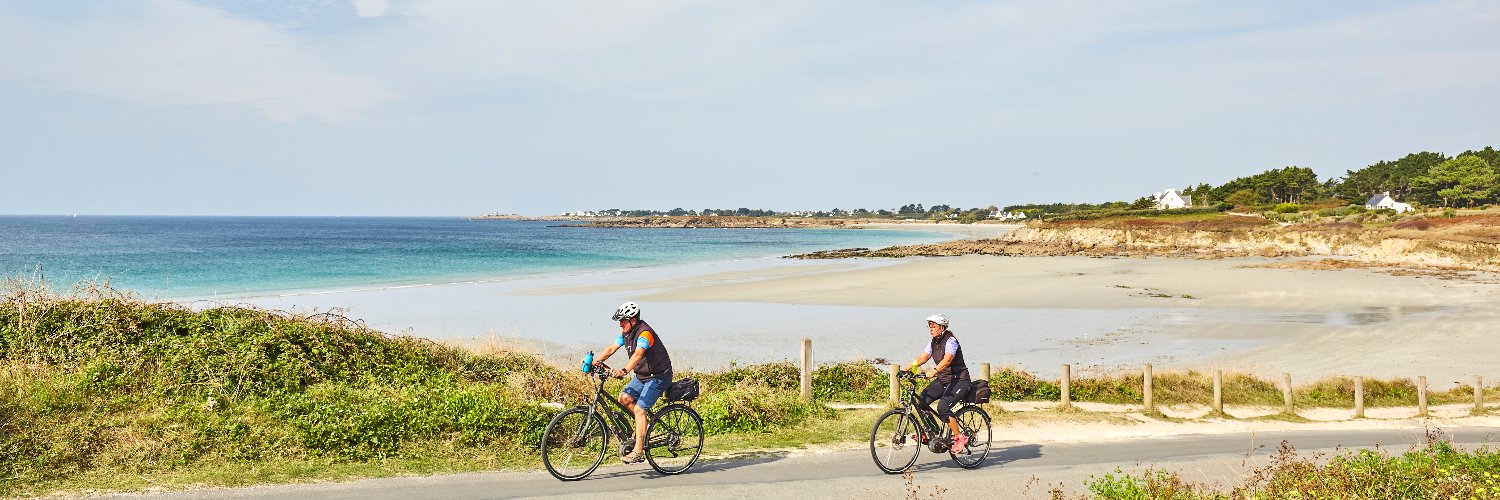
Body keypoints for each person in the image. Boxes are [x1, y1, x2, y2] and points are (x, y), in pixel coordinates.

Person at [595, 301, 673, 464]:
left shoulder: (645, 334)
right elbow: (611, 349)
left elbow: (638, 355)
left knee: (638, 409)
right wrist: (595, 362)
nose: (620, 324)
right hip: (643, 376)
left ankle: (638, 451)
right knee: (624, 398)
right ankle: (644, 424)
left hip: (658, 376)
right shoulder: (626, 333)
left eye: (622, 321)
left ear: (633, 320)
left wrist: (624, 371)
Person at [906, 313, 971, 454]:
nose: (930, 329)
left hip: (959, 380)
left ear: (941, 327)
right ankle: (932, 430)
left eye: (933, 326)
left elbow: (947, 360)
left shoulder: (950, 341)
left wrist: (934, 371)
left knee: (942, 407)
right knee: (922, 400)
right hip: (944, 379)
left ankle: (959, 437)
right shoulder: (933, 342)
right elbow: (923, 357)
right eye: (929, 326)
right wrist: (909, 367)